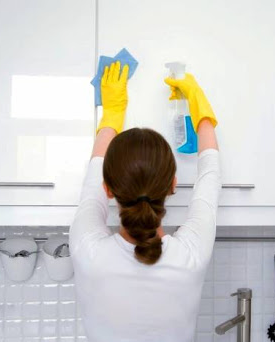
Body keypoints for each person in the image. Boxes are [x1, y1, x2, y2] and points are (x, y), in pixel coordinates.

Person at [70, 60, 221, 342]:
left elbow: (92, 180)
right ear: (173, 185)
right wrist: (198, 104)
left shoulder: (86, 250)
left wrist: (112, 113)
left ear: (108, 189)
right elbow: (210, 174)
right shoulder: (191, 254)